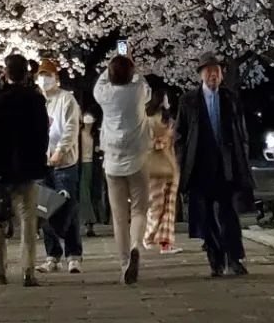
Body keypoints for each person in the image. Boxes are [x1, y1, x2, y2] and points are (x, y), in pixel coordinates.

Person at [176, 53, 254, 277]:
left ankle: (235, 257)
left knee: (229, 213)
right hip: (200, 165)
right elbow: (180, 134)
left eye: (216, 71)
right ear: (201, 74)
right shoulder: (188, 101)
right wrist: (182, 160)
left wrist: (243, 155)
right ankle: (215, 259)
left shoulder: (230, 98)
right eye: (208, 71)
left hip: (226, 163)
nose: (213, 75)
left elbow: (241, 131)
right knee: (206, 216)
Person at [0, 52, 49, 287]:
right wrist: (39, 161)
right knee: (28, 219)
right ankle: (28, 270)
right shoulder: (36, 100)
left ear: (6, 73)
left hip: (3, 168)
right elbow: (42, 135)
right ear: (27, 74)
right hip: (28, 167)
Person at [93, 52, 152, 285]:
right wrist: (133, 66)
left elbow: (100, 81)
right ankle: (137, 245)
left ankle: (124, 262)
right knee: (139, 210)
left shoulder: (104, 94)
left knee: (119, 217)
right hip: (138, 159)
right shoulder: (138, 92)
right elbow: (144, 83)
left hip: (113, 163)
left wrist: (110, 65)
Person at [35, 58, 83, 274]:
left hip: (64, 163)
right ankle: (51, 255)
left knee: (66, 207)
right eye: (41, 76)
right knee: (45, 209)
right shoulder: (36, 101)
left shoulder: (67, 100)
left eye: (48, 76)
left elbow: (71, 128)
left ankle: (73, 254)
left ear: (56, 78)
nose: (44, 80)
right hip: (41, 164)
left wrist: (60, 151)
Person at [144, 81, 180, 254]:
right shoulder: (150, 121)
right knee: (159, 206)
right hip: (159, 167)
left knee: (166, 206)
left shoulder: (168, 121)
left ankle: (164, 242)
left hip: (167, 166)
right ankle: (150, 237)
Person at [78, 109, 99, 238]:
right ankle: (88, 221)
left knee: (94, 193)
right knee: (84, 194)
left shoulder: (96, 134)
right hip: (82, 164)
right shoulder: (78, 134)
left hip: (94, 165)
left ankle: (91, 223)